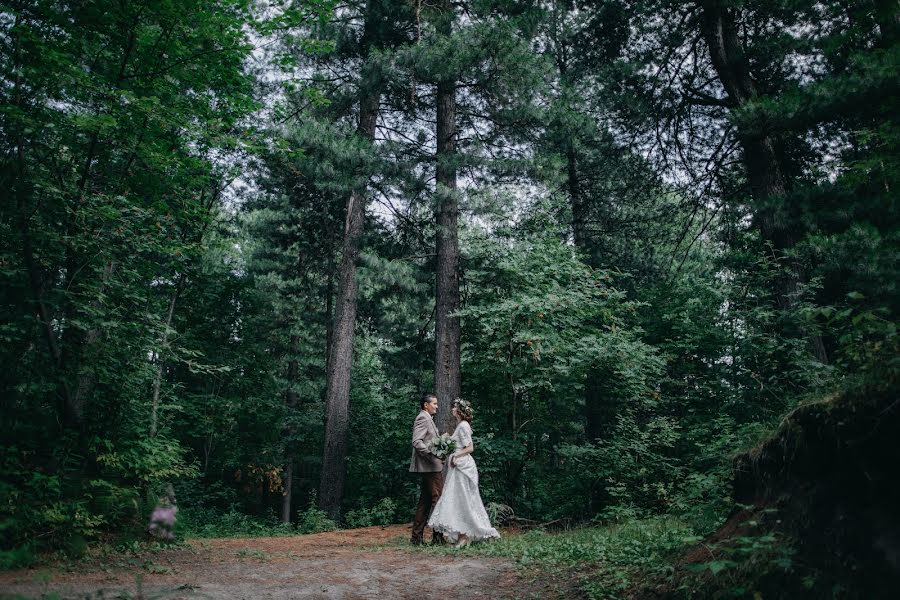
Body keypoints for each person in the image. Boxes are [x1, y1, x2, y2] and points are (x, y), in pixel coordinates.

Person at [427, 398, 500, 547]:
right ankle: (462, 534)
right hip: (457, 467)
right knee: (458, 500)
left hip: (462, 467)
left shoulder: (464, 426)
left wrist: (456, 456)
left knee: (464, 499)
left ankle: (465, 535)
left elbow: (469, 448)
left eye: (454, 407)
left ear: (460, 410)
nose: (452, 409)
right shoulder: (460, 425)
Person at [409, 393, 446, 545]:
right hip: (430, 467)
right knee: (438, 500)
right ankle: (437, 538)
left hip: (430, 466)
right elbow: (417, 442)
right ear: (426, 405)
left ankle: (416, 538)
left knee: (424, 502)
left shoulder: (428, 418)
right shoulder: (423, 418)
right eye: (434, 403)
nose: (437, 406)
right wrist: (432, 454)